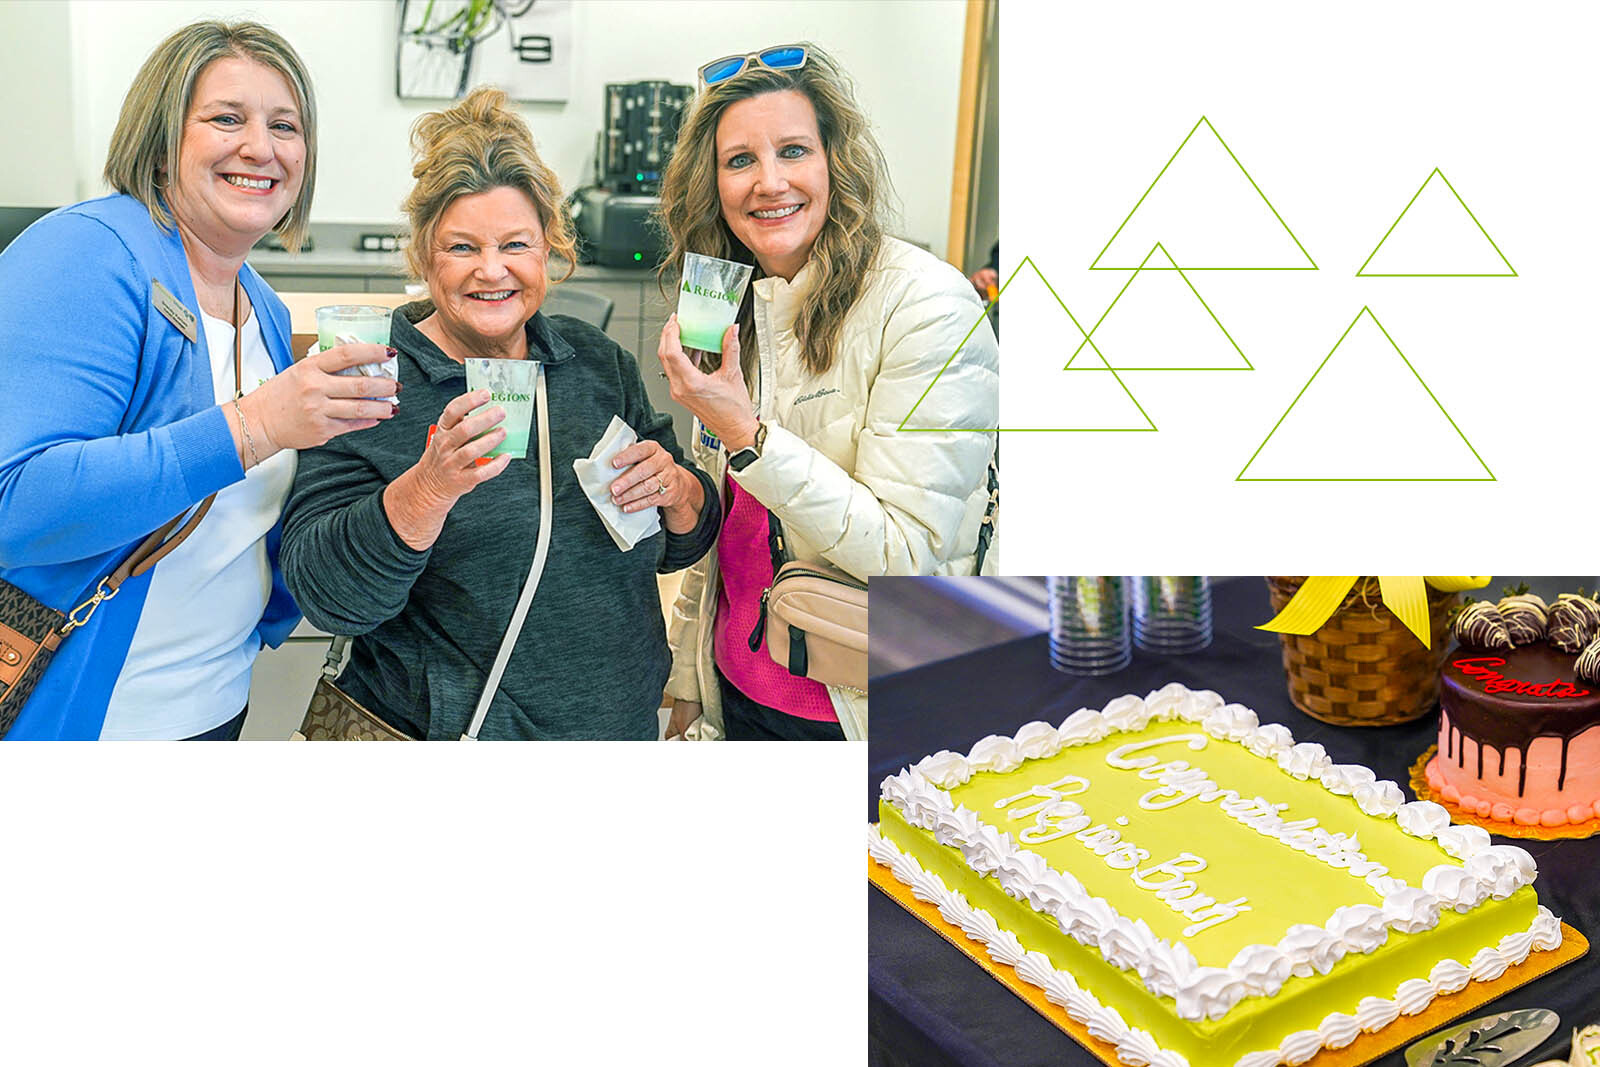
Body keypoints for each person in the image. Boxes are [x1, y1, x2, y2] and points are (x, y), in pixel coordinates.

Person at [279, 87, 719, 740]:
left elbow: (678, 538)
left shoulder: (596, 363)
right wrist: (429, 488)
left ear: (549, 248)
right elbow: (331, 595)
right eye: (462, 248)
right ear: (426, 255)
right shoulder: (370, 377)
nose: (492, 271)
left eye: (515, 243)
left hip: (618, 736)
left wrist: (680, 490)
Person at [0, 21, 397, 741]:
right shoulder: (86, 254)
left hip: (213, 710)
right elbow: (15, 503)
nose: (262, 147)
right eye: (226, 119)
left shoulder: (265, 309)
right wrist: (255, 426)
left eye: (286, 125)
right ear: (160, 137)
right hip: (86, 718)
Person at [655, 43, 999, 742]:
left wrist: (750, 436)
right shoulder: (724, 301)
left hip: (860, 713)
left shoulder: (926, 303)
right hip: (736, 691)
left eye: (792, 150)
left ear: (835, 162)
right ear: (712, 184)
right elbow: (726, 522)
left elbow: (906, 555)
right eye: (740, 160)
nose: (768, 182)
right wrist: (688, 679)